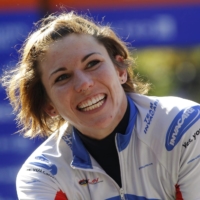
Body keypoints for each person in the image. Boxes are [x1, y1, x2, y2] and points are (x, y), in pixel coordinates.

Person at [1, 11, 200, 200]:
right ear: (48, 104)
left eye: (92, 63)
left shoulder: (185, 126)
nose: (84, 84)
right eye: (62, 77)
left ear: (120, 70)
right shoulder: (41, 175)